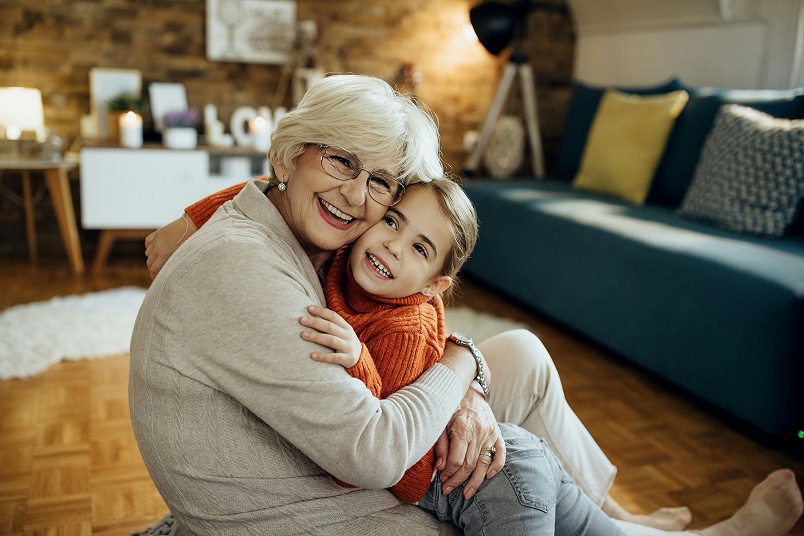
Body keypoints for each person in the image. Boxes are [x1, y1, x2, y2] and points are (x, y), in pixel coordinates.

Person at [134, 74, 803, 536]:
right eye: (341, 160)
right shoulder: (247, 268)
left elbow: (293, 186)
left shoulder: (310, 223)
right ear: (290, 152)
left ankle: (610, 517)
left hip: (331, 445)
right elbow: (375, 454)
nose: (358, 200)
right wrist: (458, 371)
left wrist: (467, 381)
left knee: (524, 357)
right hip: (313, 501)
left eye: (382, 186)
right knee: (515, 466)